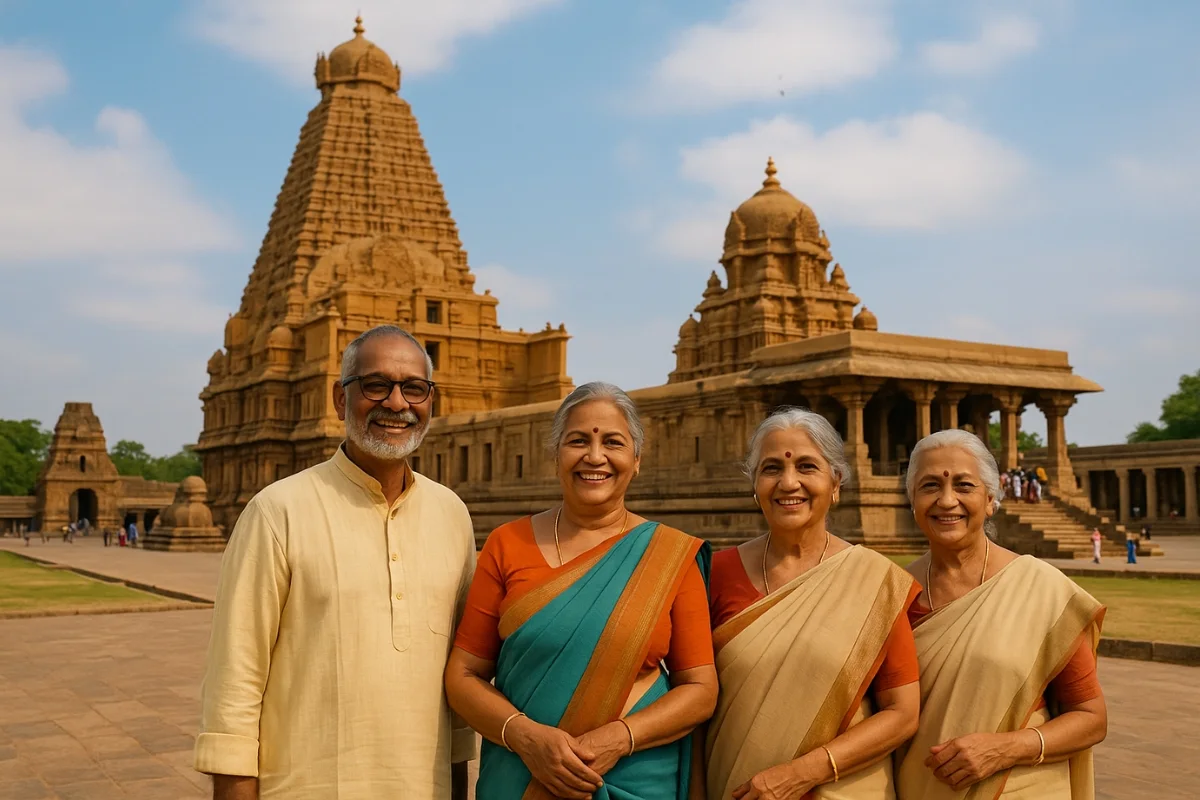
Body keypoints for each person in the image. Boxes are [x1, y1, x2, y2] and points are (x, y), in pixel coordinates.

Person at [196, 326, 477, 800]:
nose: (396, 403)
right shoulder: (277, 511)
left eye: (414, 388)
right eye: (375, 385)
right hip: (307, 786)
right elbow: (234, 684)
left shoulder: (452, 515)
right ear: (339, 399)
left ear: (431, 400)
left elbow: (458, 676)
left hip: (421, 786)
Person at [445, 382, 717, 800]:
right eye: (577, 441)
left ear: (636, 460)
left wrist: (619, 738)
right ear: (556, 456)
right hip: (520, 778)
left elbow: (700, 689)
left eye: (613, 442)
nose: (594, 456)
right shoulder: (507, 544)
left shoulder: (669, 554)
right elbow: (463, 675)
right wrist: (527, 739)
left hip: (636, 780)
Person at [702, 407, 921, 800]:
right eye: (771, 469)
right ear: (754, 484)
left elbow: (902, 713)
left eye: (807, 467)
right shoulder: (716, 573)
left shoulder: (873, 580)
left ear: (835, 482)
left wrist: (803, 773)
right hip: (735, 786)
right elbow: (694, 701)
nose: (789, 483)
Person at [898, 430, 1106, 799]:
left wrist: (1006, 748)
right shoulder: (894, 595)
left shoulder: (1041, 589)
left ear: (991, 499)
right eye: (930, 486)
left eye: (964, 485)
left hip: (1020, 786)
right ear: (912, 499)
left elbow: (1091, 719)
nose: (947, 501)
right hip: (920, 788)